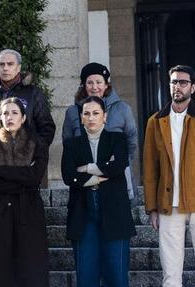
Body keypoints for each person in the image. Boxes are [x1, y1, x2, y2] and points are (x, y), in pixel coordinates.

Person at [142, 65, 195, 287]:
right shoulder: (154, 122)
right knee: (170, 274)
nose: (177, 86)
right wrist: (152, 208)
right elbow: (150, 169)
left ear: (193, 87)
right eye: (173, 82)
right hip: (168, 206)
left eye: (182, 82)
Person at [62, 96, 135, 287]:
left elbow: (118, 165)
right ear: (81, 117)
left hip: (115, 212)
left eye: (96, 113)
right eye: (87, 113)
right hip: (83, 213)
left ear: (105, 116)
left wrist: (86, 167)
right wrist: (101, 174)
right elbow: (69, 176)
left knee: (117, 275)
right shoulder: (72, 144)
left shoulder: (117, 139)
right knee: (86, 276)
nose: (91, 117)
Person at [0, 97, 50, 287]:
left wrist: (2, 171)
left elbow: (35, 179)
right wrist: (22, 178)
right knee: (0, 266)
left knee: (30, 265)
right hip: (0, 209)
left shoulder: (38, 144)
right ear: (0, 117)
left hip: (30, 209)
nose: (9, 117)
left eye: (14, 113)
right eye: (5, 113)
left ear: (24, 117)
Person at [62, 62, 139, 199]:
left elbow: (131, 142)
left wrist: (116, 163)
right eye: (90, 83)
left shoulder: (122, 109)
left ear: (106, 84)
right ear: (84, 86)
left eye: (99, 82)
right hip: (85, 183)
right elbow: (68, 141)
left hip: (116, 178)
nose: (95, 87)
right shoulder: (73, 112)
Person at [0, 49, 55, 147]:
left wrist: (35, 153)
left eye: (10, 64)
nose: (5, 68)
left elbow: (46, 128)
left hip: (27, 158)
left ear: (18, 68)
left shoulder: (33, 93)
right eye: (1, 64)